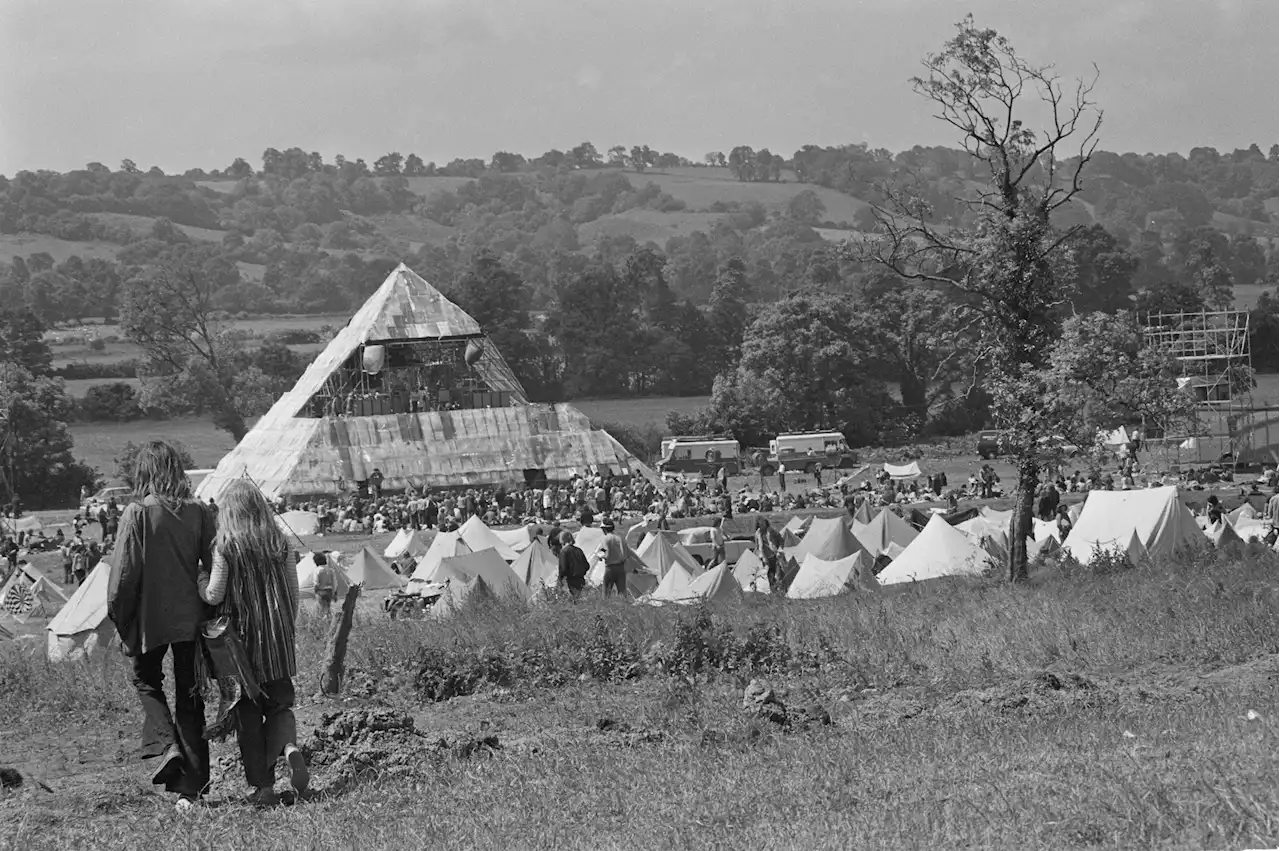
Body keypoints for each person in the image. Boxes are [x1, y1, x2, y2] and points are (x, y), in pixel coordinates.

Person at [108, 440, 215, 810]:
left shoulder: (137, 513)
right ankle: (192, 792)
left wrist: (120, 618)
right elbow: (213, 568)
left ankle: (167, 744)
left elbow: (123, 576)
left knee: (146, 680)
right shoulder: (200, 512)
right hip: (191, 619)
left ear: (144, 472)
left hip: (149, 619)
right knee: (190, 697)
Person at [198, 479, 308, 807]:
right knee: (279, 705)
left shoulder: (226, 545)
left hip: (239, 645)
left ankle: (263, 788)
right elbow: (292, 594)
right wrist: (284, 629)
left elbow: (215, 594)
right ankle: (288, 748)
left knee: (246, 715)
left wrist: (199, 578)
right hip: (276, 639)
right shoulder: (279, 541)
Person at [557, 531, 589, 596]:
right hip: (581, 578)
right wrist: (582, 572)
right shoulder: (579, 550)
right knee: (581, 597)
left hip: (571, 579)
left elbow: (563, 568)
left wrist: (560, 578)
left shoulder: (563, 551)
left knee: (573, 598)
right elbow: (587, 565)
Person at [600, 520, 626, 596]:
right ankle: (624, 606)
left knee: (606, 592)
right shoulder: (619, 538)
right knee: (622, 592)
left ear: (604, 529)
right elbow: (624, 553)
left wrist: (600, 556)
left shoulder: (605, 539)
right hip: (621, 567)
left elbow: (606, 554)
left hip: (610, 568)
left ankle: (606, 607)